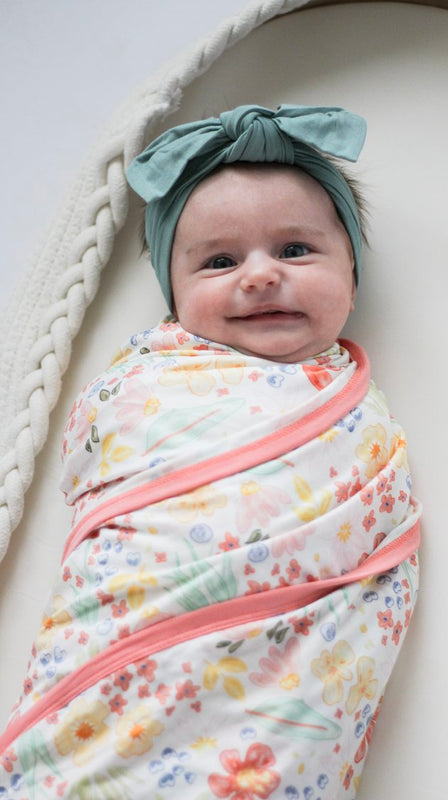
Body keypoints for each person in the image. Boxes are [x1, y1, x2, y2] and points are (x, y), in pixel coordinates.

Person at [0, 105, 420, 799]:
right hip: (126, 642)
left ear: (350, 278)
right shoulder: (148, 378)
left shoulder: (353, 412)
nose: (258, 275)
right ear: (174, 299)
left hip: (278, 675)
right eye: (219, 262)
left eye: (294, 250)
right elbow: (92, 465)